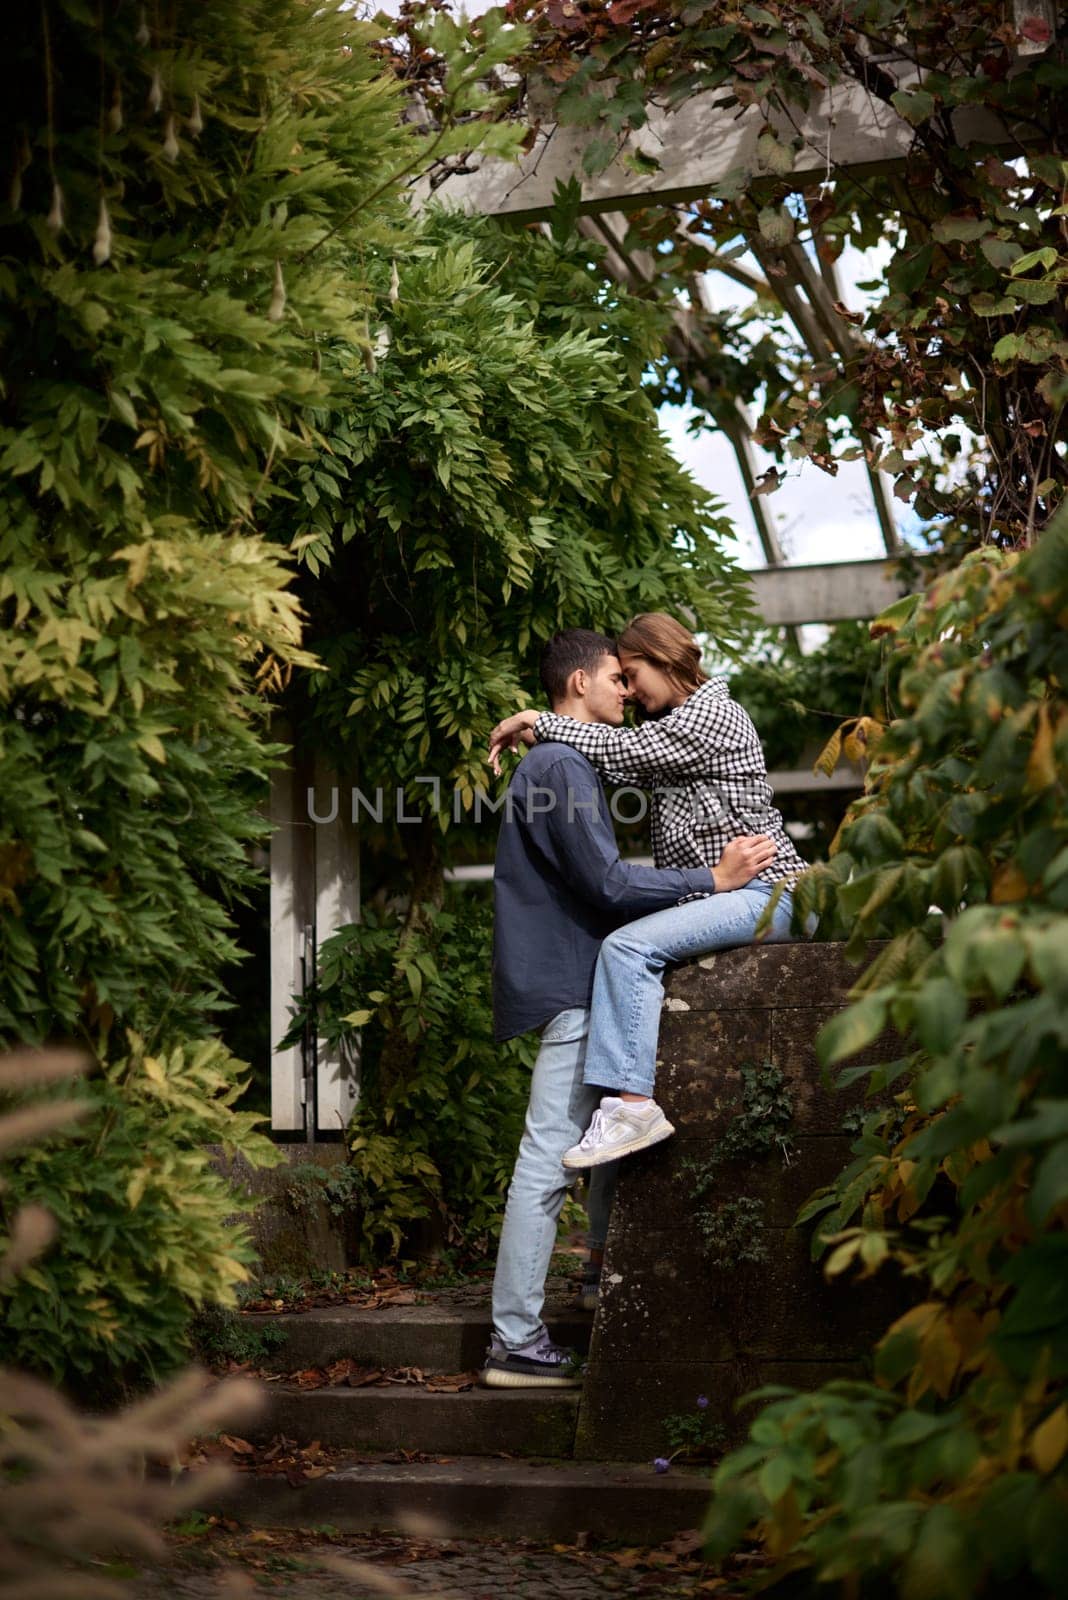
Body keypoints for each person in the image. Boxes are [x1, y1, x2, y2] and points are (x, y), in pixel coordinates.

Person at [482, 628, 771, 1389]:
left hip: (577, 980)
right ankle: (513, 1339)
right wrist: (709, 881)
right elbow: (607, 886)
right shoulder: (560, 764)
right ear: (579, 683)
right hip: (577, 984)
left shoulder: (567, 759)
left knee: (601, 1145)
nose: (626, 692)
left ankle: (587, 1278)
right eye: (616, 677)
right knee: (547, 1161)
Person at [488, 612, 808, 1172]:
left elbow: (624, 752)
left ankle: (633, 1107)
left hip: (767, 892)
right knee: (633, 945)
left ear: (664, 660)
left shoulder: (710, 714)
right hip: (735, 896)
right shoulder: (674, 730)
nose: (630, 692)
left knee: (626, 948)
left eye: (633, 674)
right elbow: (606, 756)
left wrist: (538, 718)